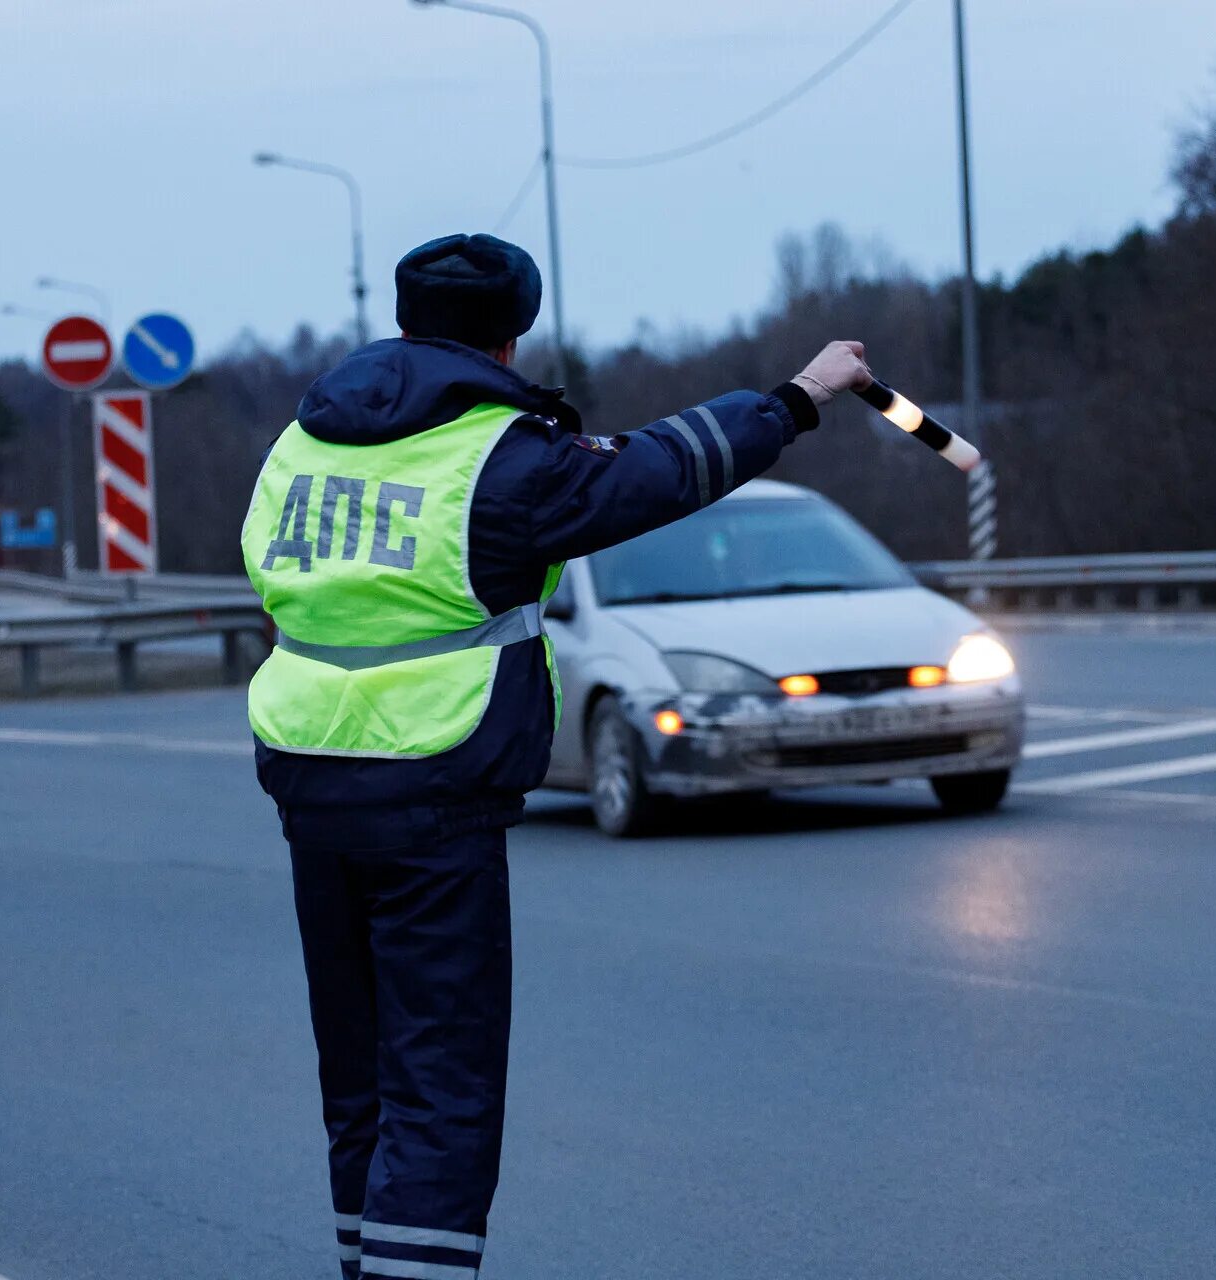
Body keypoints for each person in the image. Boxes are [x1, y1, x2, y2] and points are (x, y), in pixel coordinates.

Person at [241, 232, 874, 1279]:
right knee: (439, 1089)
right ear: (514, 330)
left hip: (311, 781)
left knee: (360, 1082)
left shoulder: (300, 446)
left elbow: (276, 587)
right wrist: (797, 396)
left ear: (404, 319)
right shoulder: (500, 457)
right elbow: (662, 470)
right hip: (434, 789)